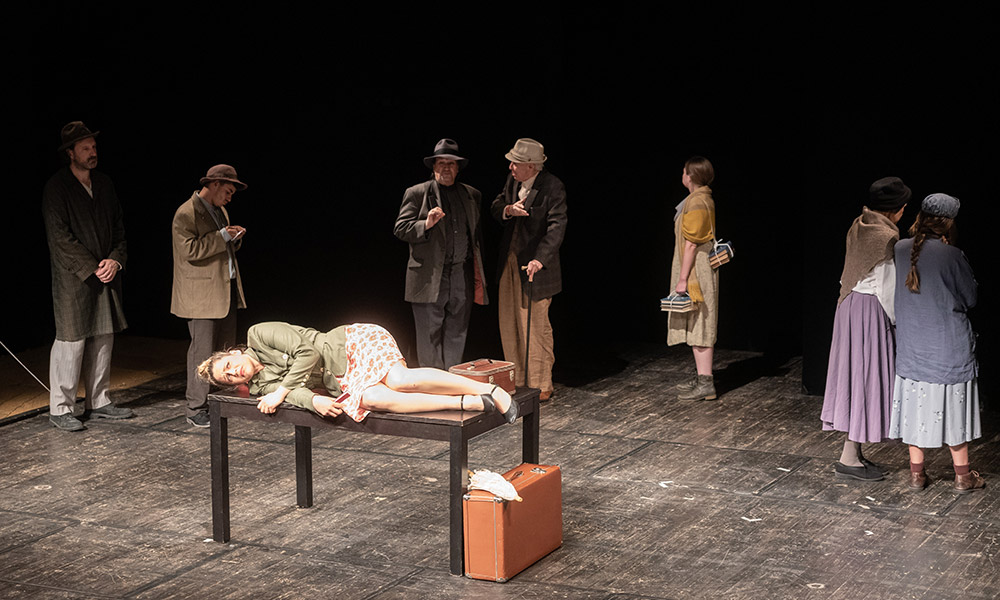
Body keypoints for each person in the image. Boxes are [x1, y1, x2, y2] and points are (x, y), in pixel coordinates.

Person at [197, 322, 518, 423]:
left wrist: (281, 392)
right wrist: (314, 401)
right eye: (229, 377)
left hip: (351, 344)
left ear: (234, 352)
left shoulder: (258, 334)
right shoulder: (259, 387)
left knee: (399, 380)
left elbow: (308, 353)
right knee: (374, 400)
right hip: (340, 380)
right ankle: (465, 403)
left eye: (229, 365)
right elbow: (296, 393)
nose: (234, 372)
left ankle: (488, 390)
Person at [42, 121, 135, 431]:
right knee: (71, 340)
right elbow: (60, 238)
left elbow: (119, 228)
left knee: (104, 336)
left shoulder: (104, 183)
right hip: (75, 278)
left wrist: (115, 260)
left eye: (94, 147)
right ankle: (61, 407)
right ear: (70, 153)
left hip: (106, 273)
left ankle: (99, 401)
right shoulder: (57, 187)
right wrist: (93, 267)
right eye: (85, 148)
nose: (92, 152)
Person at [889, 193, 984, 493]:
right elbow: (970, 297)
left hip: (913, 347)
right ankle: (963, 477)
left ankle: (917, 475)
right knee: (955, 413)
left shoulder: (900, 249)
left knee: (915, 409)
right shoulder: (952, 255)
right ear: (948, 224)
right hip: (947, 349)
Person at [820, 177, 909, 480]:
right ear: (897, 209)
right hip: (870, 309)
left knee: (854, 376)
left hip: (848, 305)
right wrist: (897, 322)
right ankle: (848, 457)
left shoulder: (859, 223)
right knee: (864, 378)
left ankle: (854, 453)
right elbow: (886, 286)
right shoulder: (886, 236)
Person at [393, 139, 488, 369]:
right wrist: (426, 224)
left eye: (451, 163)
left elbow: (476, 236)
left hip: (460, 273)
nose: (446, 168)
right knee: (429, 335)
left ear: (458, 168)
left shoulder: (471, 195)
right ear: (434, 166)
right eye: (441, 163)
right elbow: (400, 228)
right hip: (429, 275)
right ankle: (434, 383)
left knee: (457, 331)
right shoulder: (417, 193)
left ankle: (452, 380)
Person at [171, 165, 248, 427]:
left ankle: (218, 402)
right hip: (201, 296)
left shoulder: (220, 211)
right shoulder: (186, 213)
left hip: (223, 290)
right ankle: (195, 407)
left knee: (224, 350)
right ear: (214, 185)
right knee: (202, 353)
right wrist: (223, 235)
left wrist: (233, 238)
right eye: (227, 191)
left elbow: (221, 246)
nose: (229, 198)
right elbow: (189, 251)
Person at [491, 138, 567, 401]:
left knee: (535, 326)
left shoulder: (553, 186)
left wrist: (540, 259)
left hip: (536, 267)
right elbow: (496, 205)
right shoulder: (513, 181)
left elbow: (557, 227)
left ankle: (541, 384)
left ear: (532, 166)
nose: (511, 167)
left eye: (516, 163)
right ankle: (518, 380)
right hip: (511, 262)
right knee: (509, 322)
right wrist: (508, 209)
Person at [668, 156, 720, 401]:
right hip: (695, 267)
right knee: (697, 320)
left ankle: (706, 382)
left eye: (684, 172)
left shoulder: (698, 201)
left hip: (696, 270)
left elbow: (691, 243)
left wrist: (682, 279)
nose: (683, 175)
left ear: (690, 176)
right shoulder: (698, 198)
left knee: (701, 322)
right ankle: (702, 378)